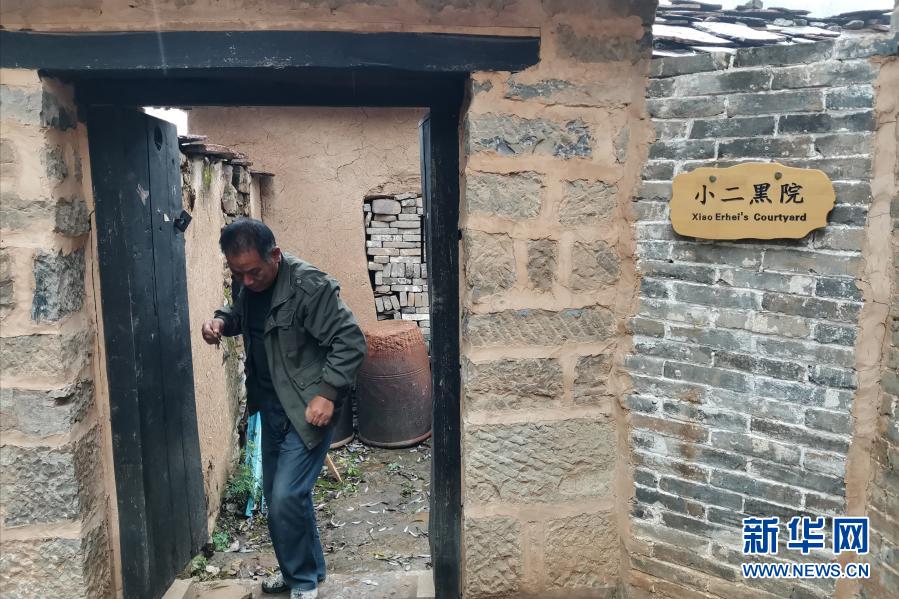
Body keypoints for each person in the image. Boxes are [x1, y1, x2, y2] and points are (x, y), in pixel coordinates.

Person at [202, 218, 367, 599]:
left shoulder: (310, 287)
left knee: (285, 498)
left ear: (274, 255)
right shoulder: (249, 283)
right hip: (270, 406)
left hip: (308, 408)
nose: (246, 281)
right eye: (237, 273)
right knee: (285, 496)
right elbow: (243, 315)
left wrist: (328, 394)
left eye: (253, 272)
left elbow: (350, 340)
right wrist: (222, 322)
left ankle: (303, 582)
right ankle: (304, 571)